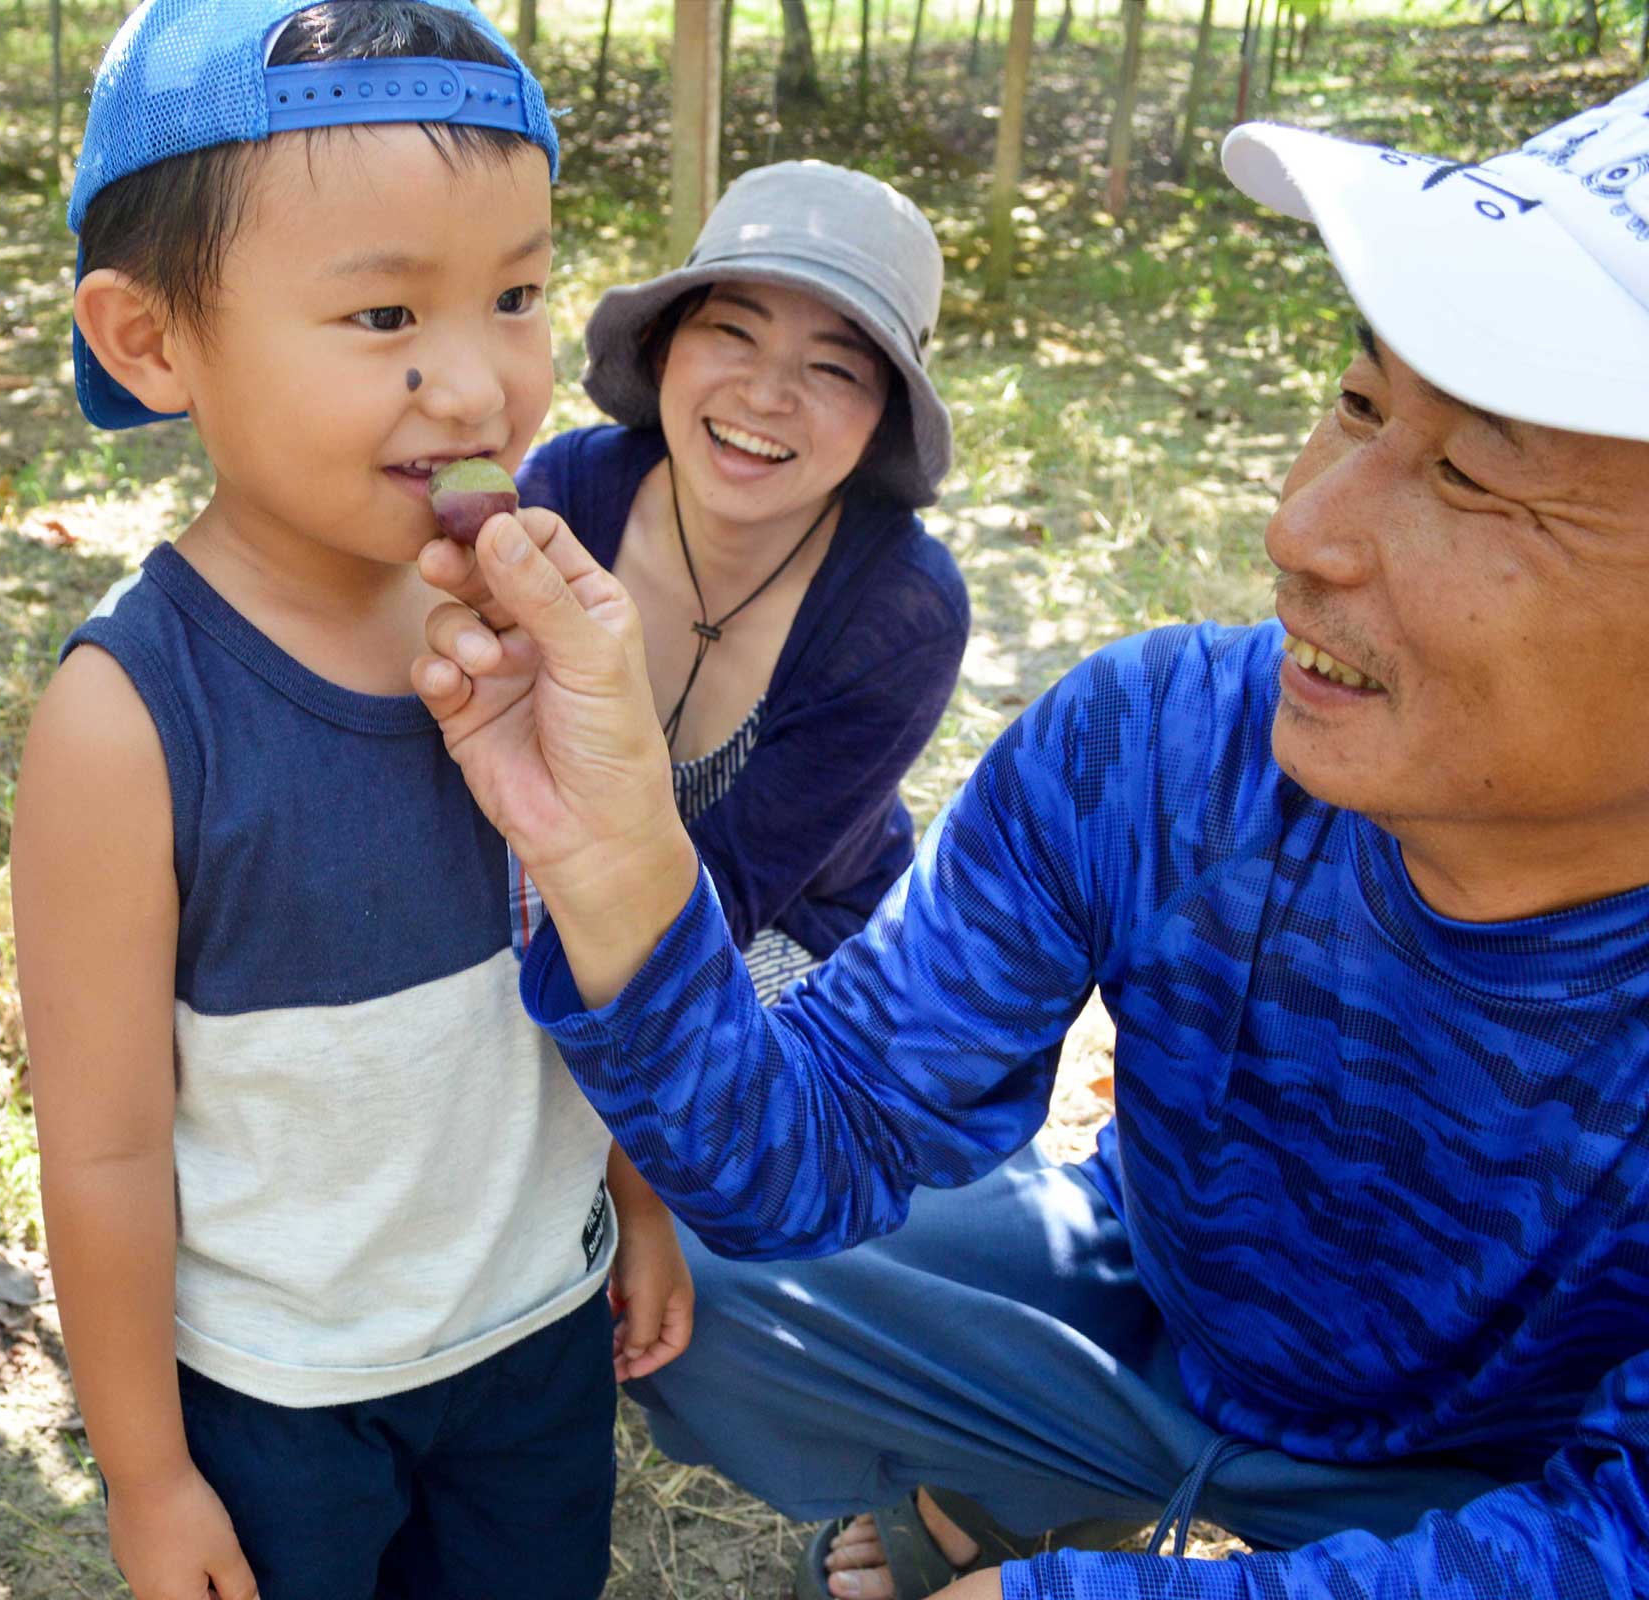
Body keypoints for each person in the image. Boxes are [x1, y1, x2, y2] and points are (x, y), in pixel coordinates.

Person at [407, 79, 1649, 1600]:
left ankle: (1050, 1527)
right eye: (1364, 403)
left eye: (1473, 474)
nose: (1306, 532)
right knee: (678, 1282)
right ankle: (1021, 1487)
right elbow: (804, 1150)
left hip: (1514, 1470)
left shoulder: (898, 600)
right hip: (1156, 1313)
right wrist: (610, 862)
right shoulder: (1164, 743)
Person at [9, 3, 695, 1597]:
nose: (475, 384)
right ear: (151, 340)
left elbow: (598, 953)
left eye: (516, 294)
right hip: (282, 1393)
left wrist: (636, 1201)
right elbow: (102, 1150)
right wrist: (150, 1476)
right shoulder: (127, 724)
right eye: (385, 312)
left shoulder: (530, 625)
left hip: (533, 1329)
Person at [514, 161, 967, 1000]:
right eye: (732, 332)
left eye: (834, 369)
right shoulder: (568, 496)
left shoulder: (902, 610)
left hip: (782, 932)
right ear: (666, 343)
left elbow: (731, 896)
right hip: (548, 885)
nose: (766, 394)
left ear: (882, 423)